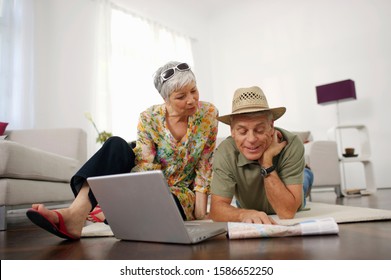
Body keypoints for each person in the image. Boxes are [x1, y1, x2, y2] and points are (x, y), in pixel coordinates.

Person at [26, 61, 218, 240]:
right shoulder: (149, 118)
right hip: (148, 182)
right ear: (165, 98)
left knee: (164, 211)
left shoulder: (208, 114)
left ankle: (109, 211)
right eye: (181, 97)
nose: (192, 100)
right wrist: (136, 195)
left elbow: (205, 164)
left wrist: (201, 215)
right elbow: (145, 166)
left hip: (181, 192)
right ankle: (76, 214)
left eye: (194, 90)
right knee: (116, 144)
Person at [209, 86, 313, 224]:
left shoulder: (292, 144)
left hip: (291, 189)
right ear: (232, 131)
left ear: (271, 126)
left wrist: (267, 162)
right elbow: (216, 210)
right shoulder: (225, 152)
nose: (251, 139)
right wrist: (243, 214)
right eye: (242, 131)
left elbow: (286, 212)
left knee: (304, 178)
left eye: (259, 130)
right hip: (251, 201)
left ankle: (306, 172)